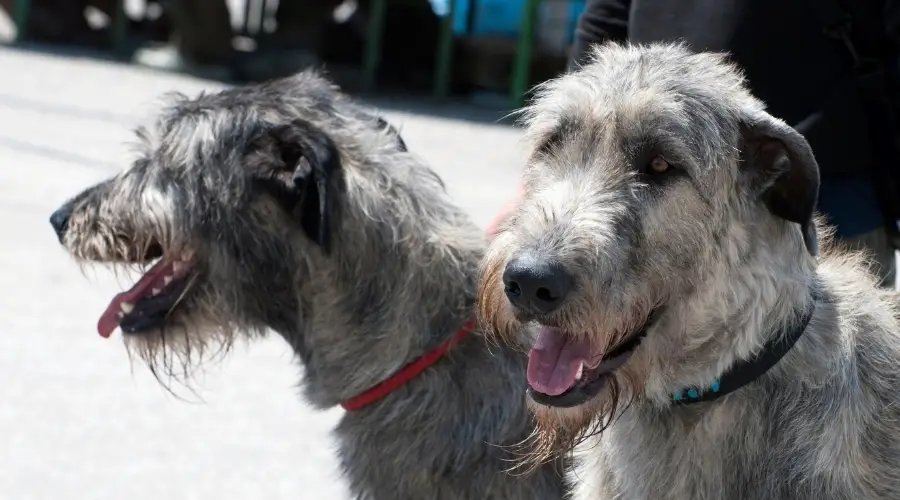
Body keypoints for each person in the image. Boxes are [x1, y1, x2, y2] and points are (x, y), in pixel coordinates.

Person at [490, 0, 900, 288]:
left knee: (828, 384)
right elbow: (605, 18)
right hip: (634, 174)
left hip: (828, 186)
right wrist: (553, 171)